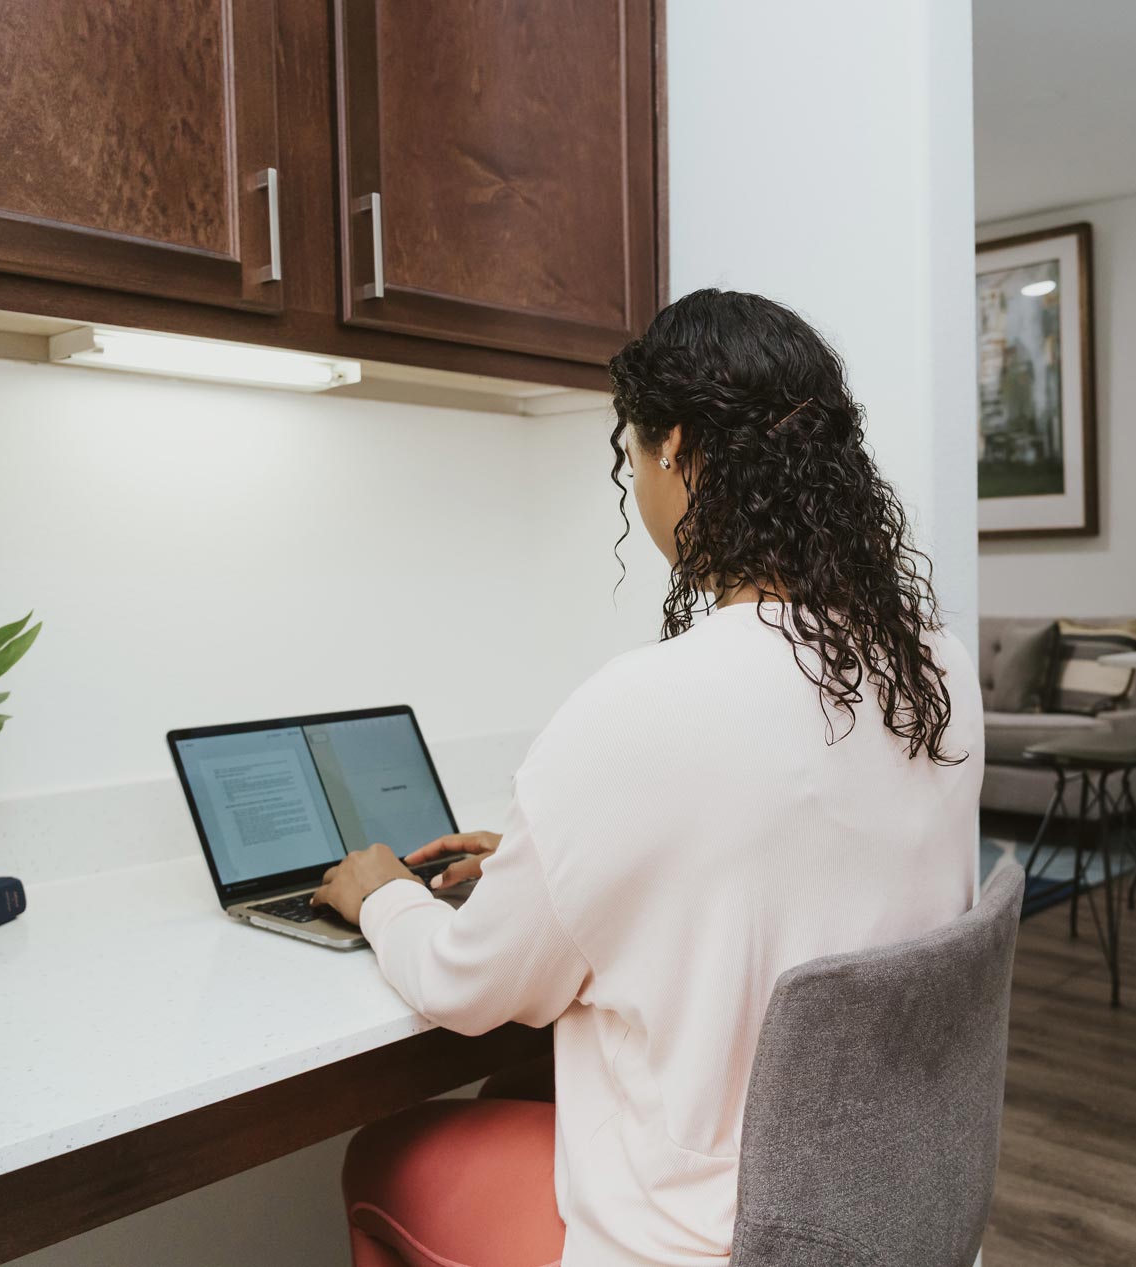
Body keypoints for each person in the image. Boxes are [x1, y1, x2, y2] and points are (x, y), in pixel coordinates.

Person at [312, 289, 985, 1267]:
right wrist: (573, 874)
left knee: (388, 1151)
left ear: (673, 447)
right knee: (516, 1094)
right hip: (883, 1212)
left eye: (632, 453)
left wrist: (384, 899)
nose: (636, 482)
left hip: (707, 1242)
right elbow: (811, 858)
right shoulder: (935, 667)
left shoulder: (640, 706)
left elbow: (467, 989)